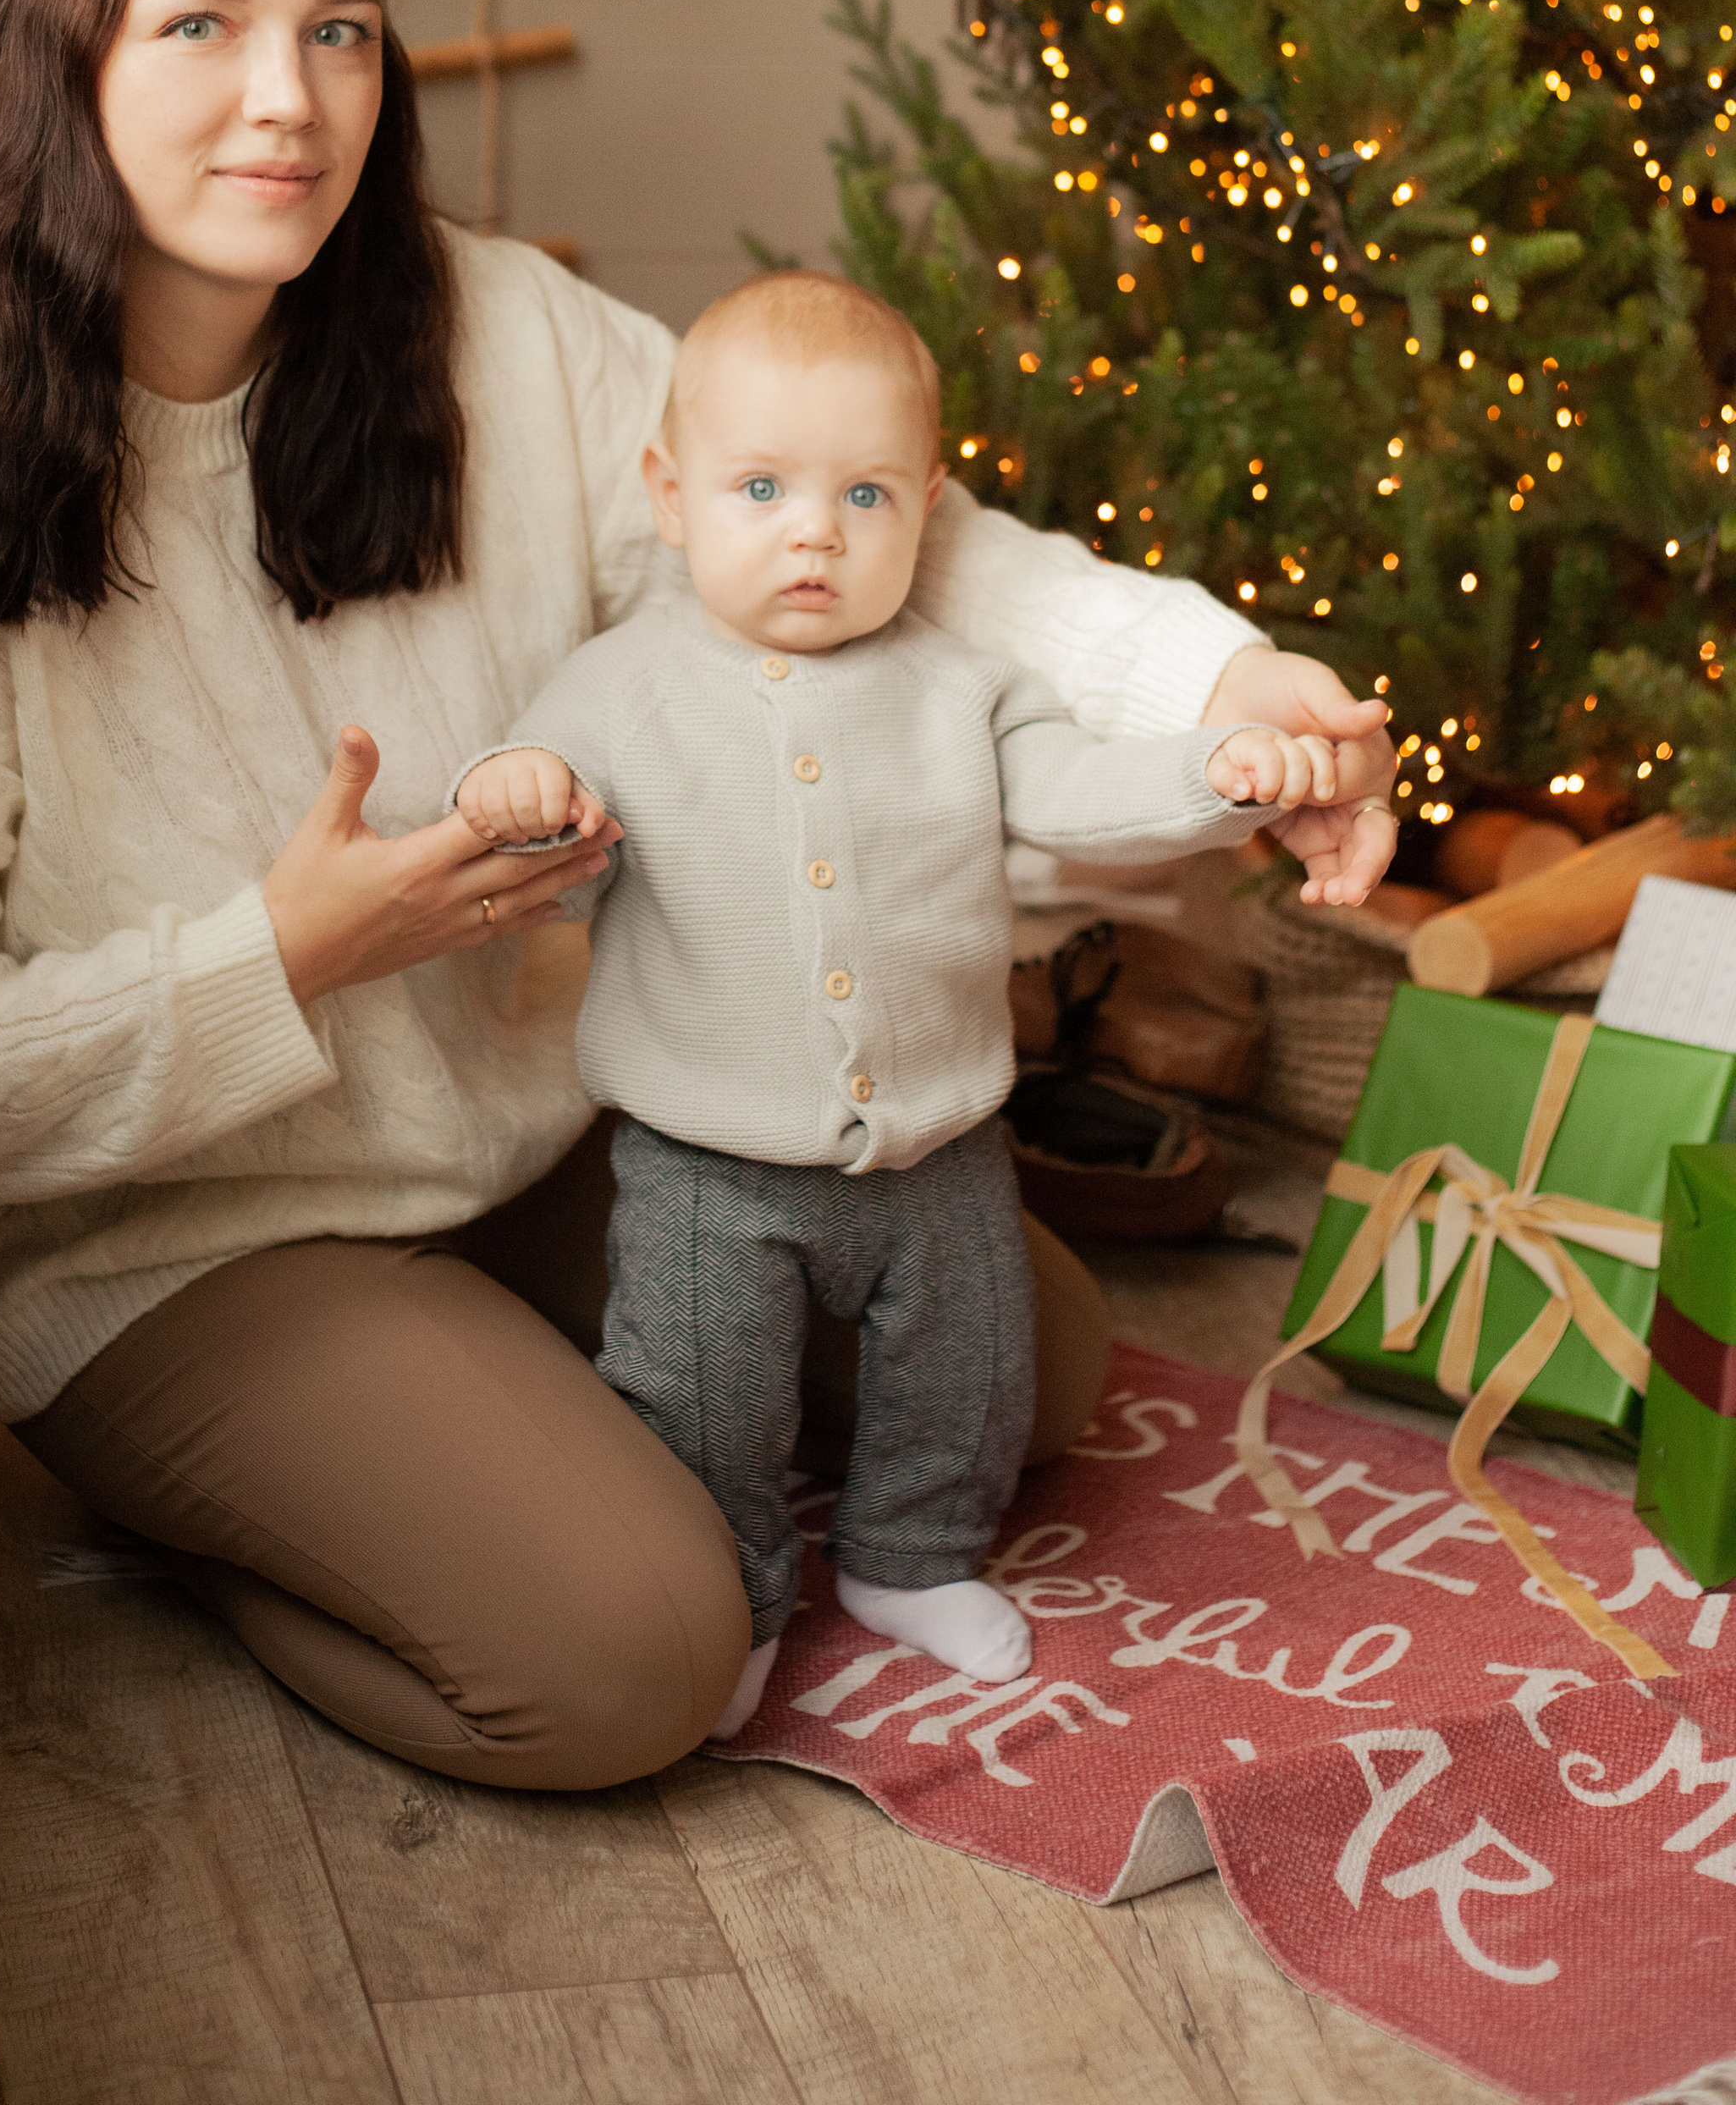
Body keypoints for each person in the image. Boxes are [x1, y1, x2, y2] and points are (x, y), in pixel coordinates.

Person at [0, 0, 1397, 1795]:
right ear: (47, 58)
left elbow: (851, 528)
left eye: (340, 26)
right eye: (200, 24)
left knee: (1033, 1364)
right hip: (172, 1243)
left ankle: (479, 1435)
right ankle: (225, 1528)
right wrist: (285, 954)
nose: (289, 98)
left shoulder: (487, 330)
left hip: (535, 1133)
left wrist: (1224, 676)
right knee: (626, 1658)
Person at [451, 270, 1361, 1739]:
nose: (815, 531)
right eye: (762, 488)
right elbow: (540, 868)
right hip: (707, 1164)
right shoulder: (612, 692)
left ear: (926, 506)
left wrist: (1216, 771)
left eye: (866, 496)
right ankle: (738, 1586)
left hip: (940, 1153)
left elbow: (1077, 790)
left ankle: (911, 1560)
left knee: (972, 1374)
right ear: (670, 499)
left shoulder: (963, 686)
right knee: (706, 1399)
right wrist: (520, 801)